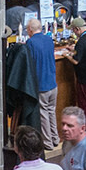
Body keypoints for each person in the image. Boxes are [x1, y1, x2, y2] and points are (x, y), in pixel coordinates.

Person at [26, 18, 59, 149]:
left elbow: (29, 63)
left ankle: (48, 143)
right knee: (52, 111)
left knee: (43, 114)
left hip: (41, 85)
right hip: (52, 82)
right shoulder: (49, 39)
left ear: (30, 30)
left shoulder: (30, 43)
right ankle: (55, 138)